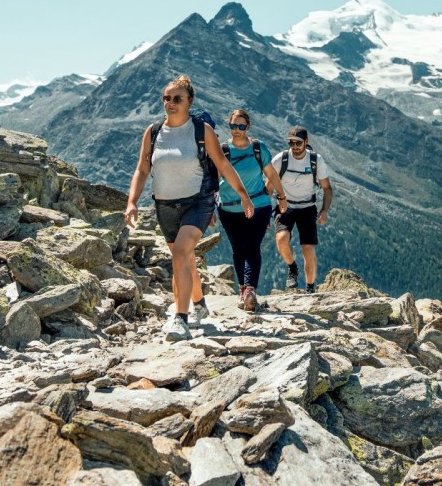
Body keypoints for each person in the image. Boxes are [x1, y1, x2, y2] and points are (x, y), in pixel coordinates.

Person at [124, 75, 253, 341]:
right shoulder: (153, 132)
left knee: (181, 253)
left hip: (198, 201)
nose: (170, 103)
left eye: (177, 99)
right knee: (185, 259)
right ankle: (199, 303)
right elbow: (142, 168)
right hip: (164, 205)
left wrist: (243, 194)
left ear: (189, 101)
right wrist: (132, 202)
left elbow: (223, 165)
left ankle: (180, 319)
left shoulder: (201, 130)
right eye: (167, 98)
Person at [216, 109, 288, 312]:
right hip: (229, 208)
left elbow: (271, 174)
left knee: (252, 246)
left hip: (259, 205)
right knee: (238, 249)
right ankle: (242, 289)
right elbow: (213, 180)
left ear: (248, 127)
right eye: (233, 126)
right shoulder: (222, 151)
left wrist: (281, 197)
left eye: (241, 126)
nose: (236, 130)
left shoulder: (258, 148)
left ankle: (250, 290)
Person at [271, 126, 332, 292]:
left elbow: (327, 188)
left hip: (307, 208)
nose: (295, 146)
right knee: (281, 239)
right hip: (285, 205)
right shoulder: (280, 160)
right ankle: (292, 267)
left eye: (298, 143)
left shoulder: (315, 160)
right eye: (291, 143)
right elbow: (268, 187)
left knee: (308, 249)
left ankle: (310, 287)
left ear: (306, 142)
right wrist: (262, 214)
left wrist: (324, 210)